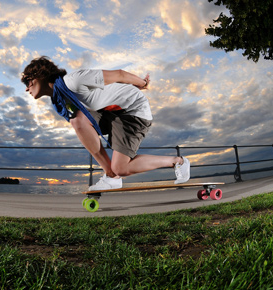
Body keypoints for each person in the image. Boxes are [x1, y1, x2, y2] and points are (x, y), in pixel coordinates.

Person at [21, 56, 190, 190]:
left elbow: (119, 75)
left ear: (40, 74)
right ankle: (110, 175)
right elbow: (84, 118)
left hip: (133, 113)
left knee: (121, 168)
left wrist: (142, 83)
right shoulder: (61, 99)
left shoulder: (73, 81)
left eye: (28, 82)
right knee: (77, 120)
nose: (27, 88)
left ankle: (178, 161)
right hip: (109, 113)